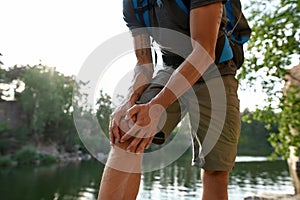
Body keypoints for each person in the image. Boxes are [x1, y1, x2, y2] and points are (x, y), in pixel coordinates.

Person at [98, 0, 241, 199]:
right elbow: (144, 63)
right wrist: (129, 101)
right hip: (171, 67)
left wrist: (156, 106)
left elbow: (203, 52)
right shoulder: (133, 3)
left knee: (215, 168)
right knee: (127, 130)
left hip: (216, 70)